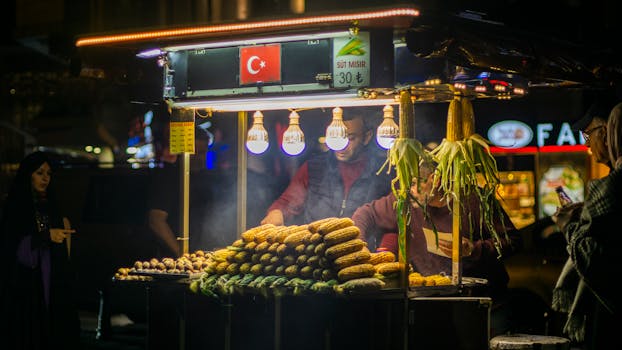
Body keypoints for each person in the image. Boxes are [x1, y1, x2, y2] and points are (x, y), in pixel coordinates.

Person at [352, 160, 522, 335]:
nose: (409, 190)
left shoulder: (473, 199)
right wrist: (359, 243)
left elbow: (514, 240)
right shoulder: (407, 201)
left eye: (413, 184)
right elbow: (366, 213)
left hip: (485, 302)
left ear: (435, 179)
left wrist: (473, 249)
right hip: (433, 303)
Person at [260, 109, 392, 244]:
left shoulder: (383, 171)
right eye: (336, 137)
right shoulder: (314, 167)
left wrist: (384, 250)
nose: (342, 145)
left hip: (361, 253)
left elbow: (395, 221)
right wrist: (277, 212)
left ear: (367, 137)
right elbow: (289, 200)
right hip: (315, 251)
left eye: (351, 138)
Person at [552, 102, 622, 349]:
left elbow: (592, 257)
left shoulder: (613, 188)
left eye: (588, 134)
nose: (587, 143)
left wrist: (568, 225)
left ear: (608, 133)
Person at [0, 151, 81, 349]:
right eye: (39, 173)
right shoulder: (16, 208)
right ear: (28, 174)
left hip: (52, 284)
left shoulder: (50, 206)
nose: (45, 178)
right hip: (27, 291)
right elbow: (12, 248)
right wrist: (46, 237)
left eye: (49, 174)